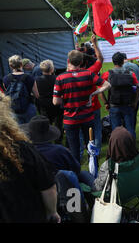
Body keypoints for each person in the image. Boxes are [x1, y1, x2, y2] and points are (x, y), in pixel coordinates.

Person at [0, 93, 60, 223]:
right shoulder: (22, 149)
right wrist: (52, 213)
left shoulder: (21, 148)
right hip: (30, 214)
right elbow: (48, 187)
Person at [53, 50, 111, 162]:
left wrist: (66, 98)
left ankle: (77, 173)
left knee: (74, 149)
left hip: (70, 119)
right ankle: (93, 171)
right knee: (90, 146)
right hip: (87, 117)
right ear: (81, 62)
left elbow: (56, 102)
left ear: (68, 61)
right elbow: (107, 84)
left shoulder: (60, 78)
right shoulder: (88, 74)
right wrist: (92, 94)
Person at [20, 115, 94, 188]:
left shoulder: (25, 153)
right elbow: (76, 169)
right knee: (84, 174)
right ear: (49, 133)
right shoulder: (60, 150)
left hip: (36, 188)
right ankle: (98, 193)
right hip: (64, 187)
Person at [101, 52, 139, 139]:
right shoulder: (130, 73)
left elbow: (100, 90)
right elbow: (137, 88)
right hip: (128, 105)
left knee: (116, 130)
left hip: (114, 105)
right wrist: (135, 102)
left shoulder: (107, 74)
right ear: (123, 61)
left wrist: (106, 103)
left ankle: (118, 148)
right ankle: (132, 148)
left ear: (113, 61)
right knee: (130, 128)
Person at [91, 126, 139, 192]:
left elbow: (98, 188)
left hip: (113, 192)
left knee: (83, 174)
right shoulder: (137, 160)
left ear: (112, 144)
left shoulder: (109, 165)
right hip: (133, 188)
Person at [3, 55, 38, 124]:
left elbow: (8, 92)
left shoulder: (6, 79)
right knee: (31, 129)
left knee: (18, 132)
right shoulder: (29, 77)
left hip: (13, 108)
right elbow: (37, 95)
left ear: (10, 66)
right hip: (28, 107)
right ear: (21, 64)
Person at [34, 60, 64, 141]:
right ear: (52, 69)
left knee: (47, 125)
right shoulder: (57, 78)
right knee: (58, 125)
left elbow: (35, 94)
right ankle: (58, 141)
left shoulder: (36, 80)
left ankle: (50, 141)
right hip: (56, 105)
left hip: (44, 106)